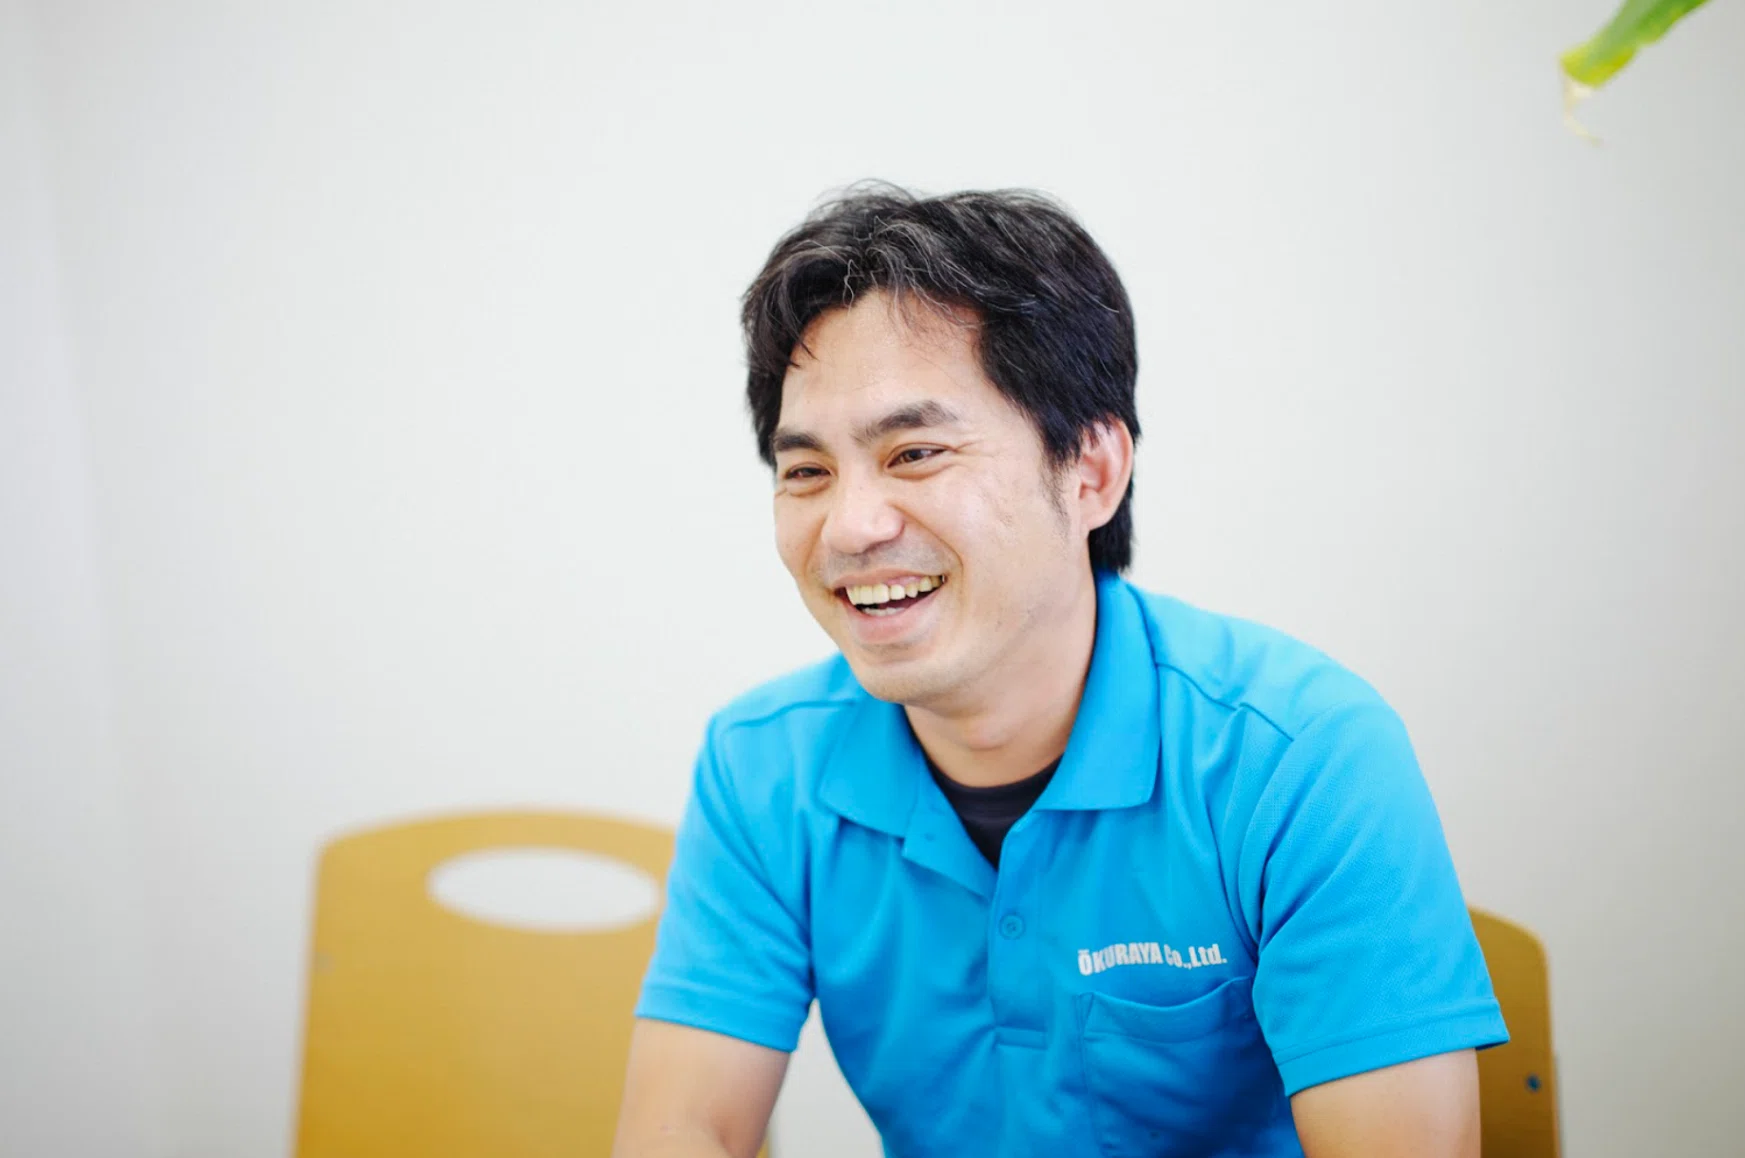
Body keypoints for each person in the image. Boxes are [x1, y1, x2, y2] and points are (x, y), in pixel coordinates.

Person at [611, 184, 1507, 1158]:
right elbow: (685, 1128)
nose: (850, 526)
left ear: (1090, 471)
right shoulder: (761, 768)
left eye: (914, 452)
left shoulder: (1299, 758)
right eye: (806, 472)